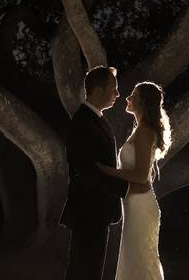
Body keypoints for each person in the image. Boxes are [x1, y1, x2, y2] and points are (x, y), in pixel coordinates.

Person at [60, 66, 150, 280]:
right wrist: (126, 189)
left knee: (87, 271)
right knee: (84, 272)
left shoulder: (97, 120)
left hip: (96, 211)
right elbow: (86, 173)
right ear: (98, 90)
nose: (118, 94)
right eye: (113, 89)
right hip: (88, 211)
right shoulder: (83, 122)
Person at [96, 81, 171, 280]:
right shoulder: (139, 130)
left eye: (134, 96)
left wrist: (108, 171)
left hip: (141, 206)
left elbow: (140, 175)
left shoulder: (145, 132)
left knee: (140, 262)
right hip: (133, 204)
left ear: (144, 102)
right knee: (133, 261)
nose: (128, 99)